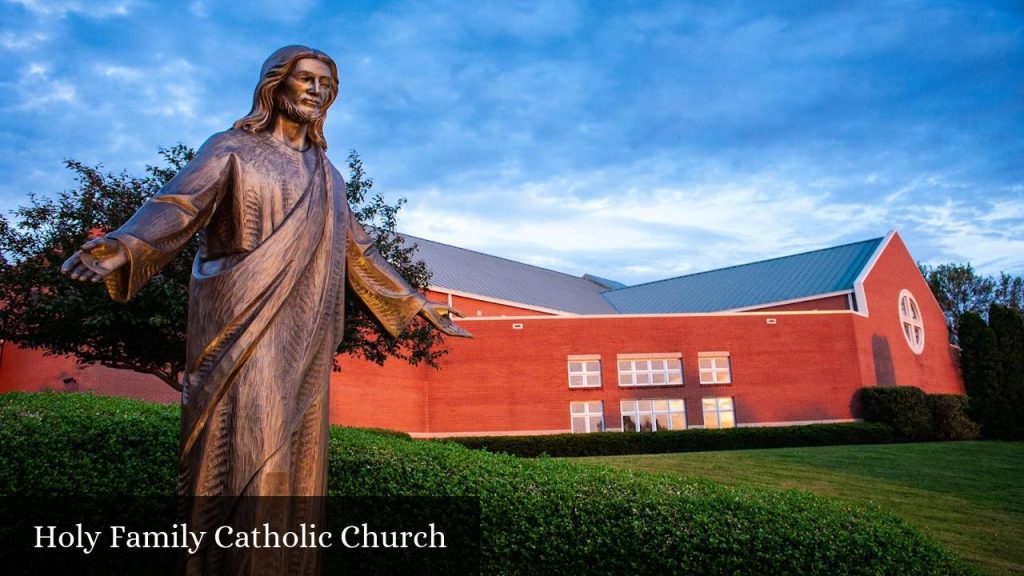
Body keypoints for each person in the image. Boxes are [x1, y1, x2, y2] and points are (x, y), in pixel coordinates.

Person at [61, 45, 471, 575]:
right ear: (275, 86)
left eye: (327, 83)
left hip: (305, 331)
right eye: (307, 79)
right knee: (245, 439)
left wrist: (415, 303)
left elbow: (358, 251)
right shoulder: (232, 148)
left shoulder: (329, 175)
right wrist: (124, 245)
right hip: (239, 323)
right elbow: (179, 206)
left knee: (299, 452)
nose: (318, 91)